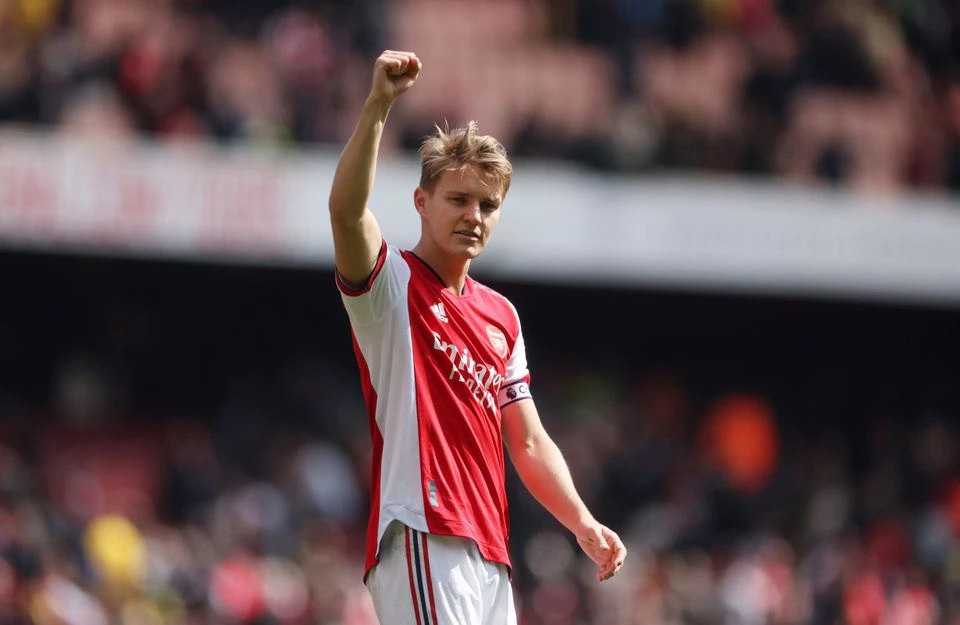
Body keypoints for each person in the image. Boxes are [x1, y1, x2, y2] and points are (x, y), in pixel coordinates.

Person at [328, 49, 627, 625]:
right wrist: (378, 108)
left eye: (488, 205)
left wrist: (581, 522)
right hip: (422, 528)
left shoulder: (502, 316)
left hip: (490, 551)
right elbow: (346, 213)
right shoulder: (390, 285)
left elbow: (530, 442)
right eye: (458, 199)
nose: (475, 216)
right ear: (422, 201)